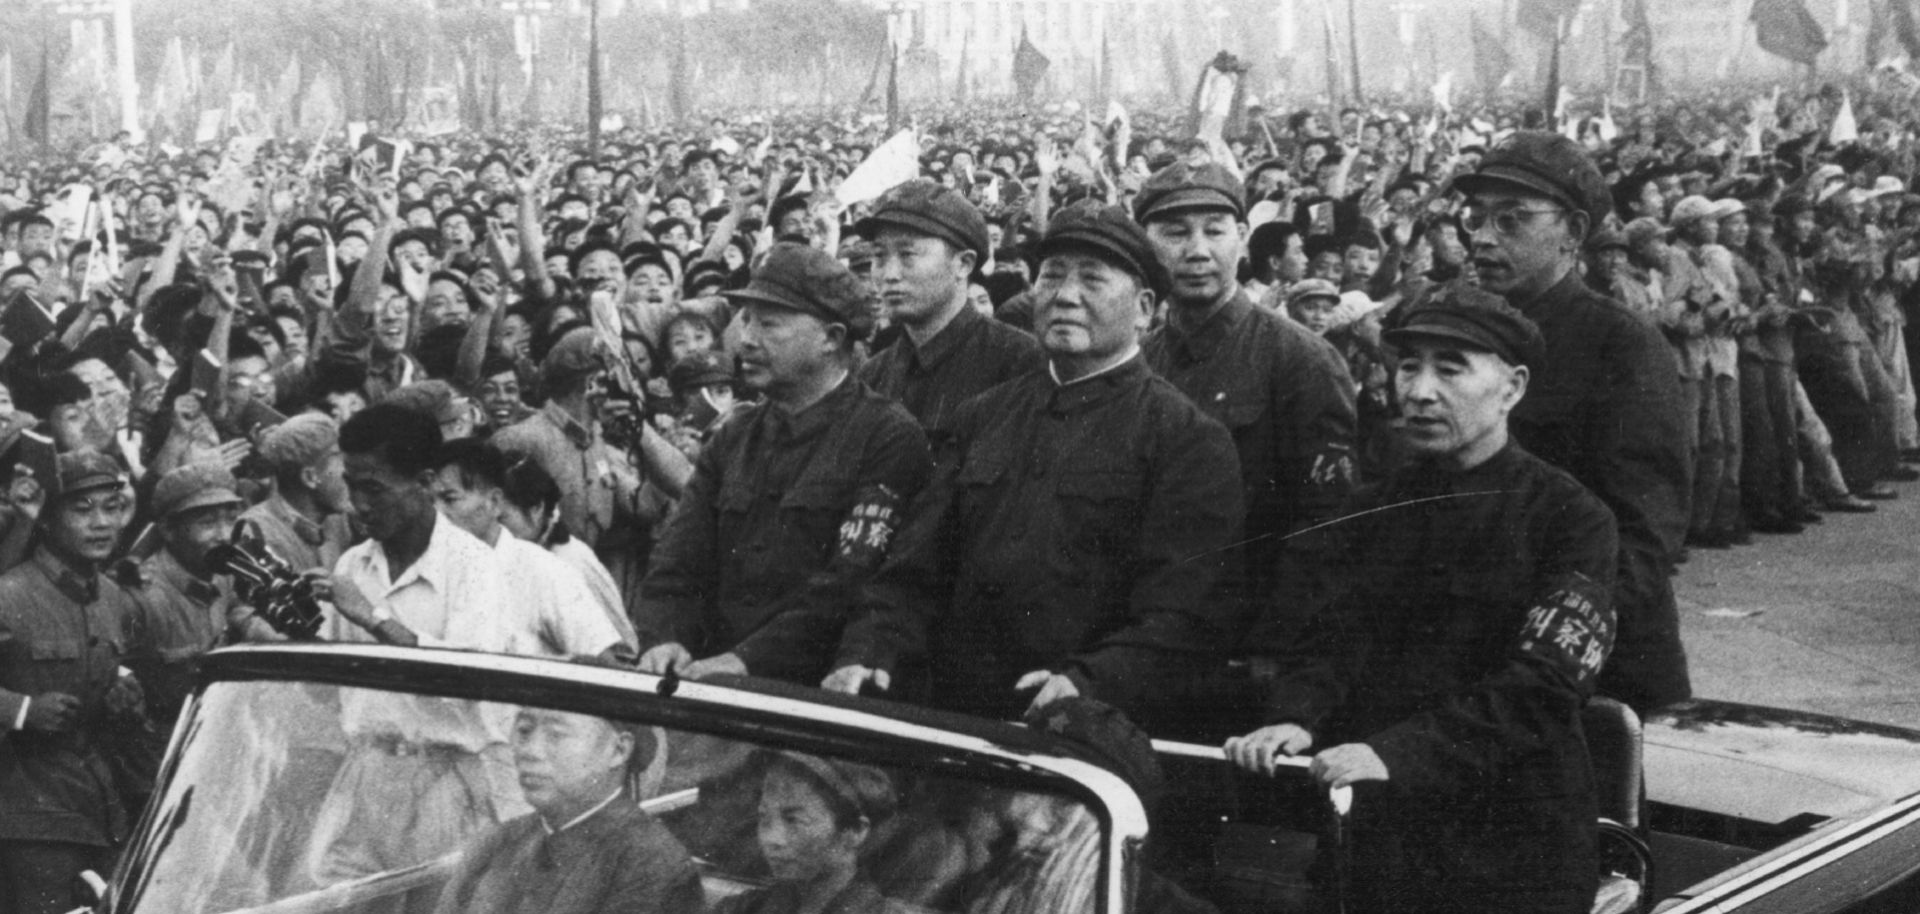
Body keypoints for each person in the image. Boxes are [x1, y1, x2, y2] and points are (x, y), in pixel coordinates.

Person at [1227, 286, 1615, 914]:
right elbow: (1329, 640)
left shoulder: (1571, 518)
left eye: (1450, 368)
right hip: (1382, 840)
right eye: (1409, 366)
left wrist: (1396, 754)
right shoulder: (1372, 508)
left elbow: (1543, 688)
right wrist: (1295, 716)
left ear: (1513, 387)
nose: (1420, 391)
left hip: (1513, 852)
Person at [834, 205, 1243, 725]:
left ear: (1143, 309)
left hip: (1084, 728)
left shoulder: (1187, 439)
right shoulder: (983, 415)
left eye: (1092, 280)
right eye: (1052, 276)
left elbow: (1186, 610)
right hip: (954, 713)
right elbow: (913, 567)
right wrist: (870, 648)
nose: (1065, 295)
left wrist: (1087, 681)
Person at [1454, 131, 1693, 713]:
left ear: (1574, 233)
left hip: (1593, 671)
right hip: (1472, 663)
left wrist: (1541, 640)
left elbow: (1643, 536)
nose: (1483, 238)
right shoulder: (1459, 332)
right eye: (1476, 218)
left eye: (1511, 220)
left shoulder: (1622, 344)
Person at [637, 243, 931, 686]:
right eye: (748, 321)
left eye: (770, 324)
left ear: (831, 339)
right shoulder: (735, 435)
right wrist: (665, 636)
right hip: (711, 685)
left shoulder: (886, 436)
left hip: (810, 693)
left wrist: (746, 660)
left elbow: (850, 581)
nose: (747, 339)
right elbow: (679, 558)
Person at [1134, 161, 1357, 645]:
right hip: (1144, 630)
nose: (1197, 251)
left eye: (1214, 231)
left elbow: (1325, 524)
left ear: (1240, 236)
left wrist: (1275, 644)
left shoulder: (1302, 360)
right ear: (1143, 243)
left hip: (1241, 635)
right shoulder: (1140, 360)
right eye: (1174, 233)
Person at [301, 403, 522, 884]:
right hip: (364, 778)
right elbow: (329, 687)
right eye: (351, 485)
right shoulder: (352, 567)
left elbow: (467, 680)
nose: (358, 504)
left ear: (423, 483)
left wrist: (373, 616)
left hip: (447, 779)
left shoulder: (475, 568)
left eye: (374, 489)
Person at [0, 452, 153, 914]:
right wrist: (21, 711)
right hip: (26, 815)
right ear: (46, 518)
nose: (102, 522)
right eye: (82, 509)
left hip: (101, 807)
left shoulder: (110, 595)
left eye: (112, 506)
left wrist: (126, 697)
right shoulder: (10, 594)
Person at [432, 709, 704, 914]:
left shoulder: (652, 864)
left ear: (618, 750)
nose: (528, 750)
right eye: (524, 730)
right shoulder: (497, 841)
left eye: (556, 734)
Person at [853, 180, 1042, 445]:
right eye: (880, 256)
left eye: (908, 254)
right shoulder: (872, 376)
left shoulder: (1020, 363)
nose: (889, 274)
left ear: (963, 264)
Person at [428, 437, 631, 662]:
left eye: (450, 499)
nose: (437, 513)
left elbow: (603, 665)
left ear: (494, 502)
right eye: (430, 502)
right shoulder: (430, 569)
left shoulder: (545, 571)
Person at [717, 752, 909, 914]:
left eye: (795, 820)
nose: (771, 838)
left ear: (856, 831)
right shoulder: (741, 909)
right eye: (764, 817)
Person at [126, 463, 245, 725]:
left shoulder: (222, 572)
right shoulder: (143, 597)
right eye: (207, 523)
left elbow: (238, 608)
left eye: (230, 519)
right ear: (168, 530)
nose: (224, 535)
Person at [242, 413, 354, 577]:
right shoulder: (257, 533)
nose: (350, 474)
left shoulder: (337, 519)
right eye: (341, 462)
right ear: (310, 477)